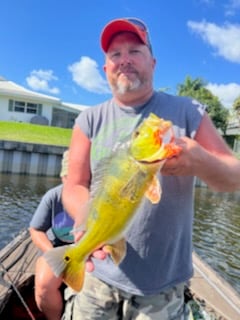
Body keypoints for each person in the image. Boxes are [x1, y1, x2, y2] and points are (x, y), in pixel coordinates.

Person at [61, 17, 240, 320]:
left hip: (163, 287)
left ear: (153, 62)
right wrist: (87, 221)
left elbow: (233, 178)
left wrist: (202, 162)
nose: (124, 60)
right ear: (105, 68)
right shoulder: (88, 120)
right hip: (98, 276)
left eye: (135, 51)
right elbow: (75, 185)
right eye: (115, 54)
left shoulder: (188, 110)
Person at [29, 150, 74, 320]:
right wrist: (53, 254)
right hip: (57, 249)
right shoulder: (53, 197)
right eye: (68, 177)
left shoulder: (101, 198)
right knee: (44, 287)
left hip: (88, 252)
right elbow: (36, 229)